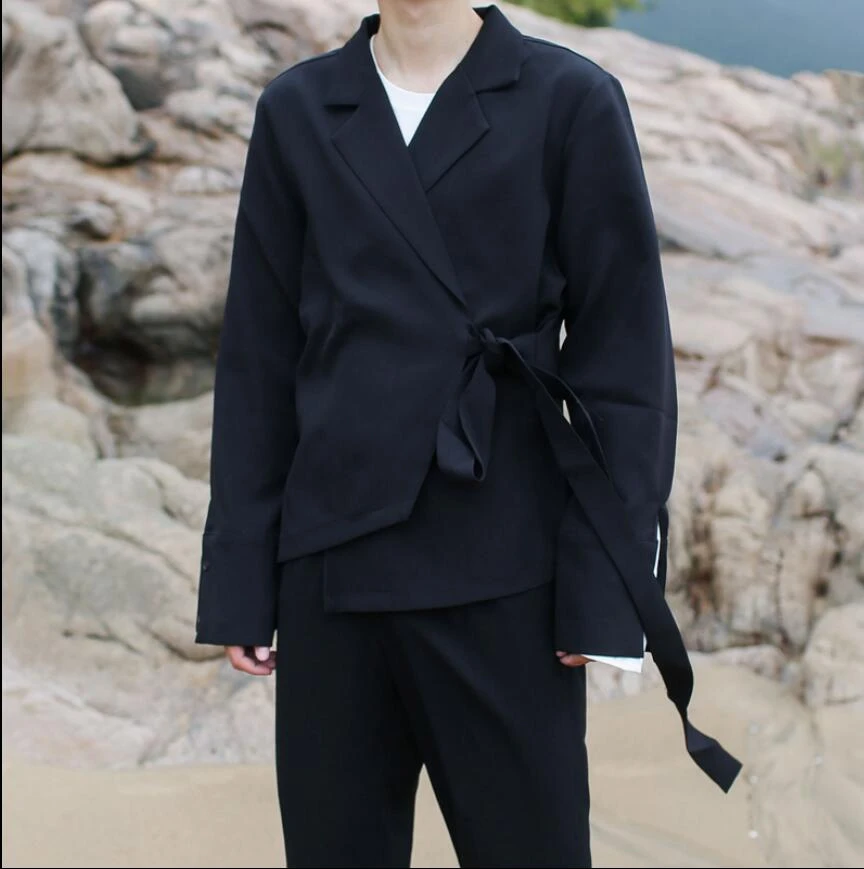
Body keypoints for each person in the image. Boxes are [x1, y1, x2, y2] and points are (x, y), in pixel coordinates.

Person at [194, 2, 741, 866]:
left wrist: (602, 590)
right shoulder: (297, 108)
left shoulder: (569, 98)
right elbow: (259, 360)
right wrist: (240, 577)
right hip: (333, 568)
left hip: (508, 570)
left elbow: (625, 360)